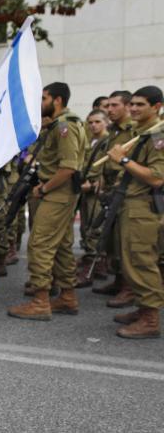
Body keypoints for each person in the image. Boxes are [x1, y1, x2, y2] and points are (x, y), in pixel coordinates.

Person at [7, 82, 86, 320]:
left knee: (39, 244)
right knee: (61, 245)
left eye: (43, 99)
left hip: (57, 193)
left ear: (57, 100)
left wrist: (43, 189)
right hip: (58, 193)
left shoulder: (65, 127)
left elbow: (68, 168)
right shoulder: (57, 125)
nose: (39, 104)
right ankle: (68, 296)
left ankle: (40, 301)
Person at [108, 86, 164, 339]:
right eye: (132, 104)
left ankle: (150, 319)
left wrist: (123, 160)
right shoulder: (139, 133)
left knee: (141, 261)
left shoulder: (157, 136)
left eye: (140, 105)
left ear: (156, 107)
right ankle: (143, 309)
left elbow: (156, 178)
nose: (133, 108)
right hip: (129, 204)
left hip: (143, 207)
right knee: (130, 261)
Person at [92, 90, 135, 306]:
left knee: (123, 241)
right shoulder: (114, 131)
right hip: (109, 188)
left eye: (114, 105)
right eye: (107, 106)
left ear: (127, 106)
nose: (109, 110)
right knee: (110, 239)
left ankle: (129, 288)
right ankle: (118, 280)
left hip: (124, 190)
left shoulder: (134, 131)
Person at [75, 109, 111, 287]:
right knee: (86, 226)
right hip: (86, 187)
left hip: (97, 190)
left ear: (106, 122)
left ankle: (95, 266)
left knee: (95, 228)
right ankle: (94, 262)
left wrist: (97, 183)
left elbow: (109, 167)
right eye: (90, 122)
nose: (93, 125)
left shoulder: (109, 141)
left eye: (97, 122)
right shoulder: (90, 140)